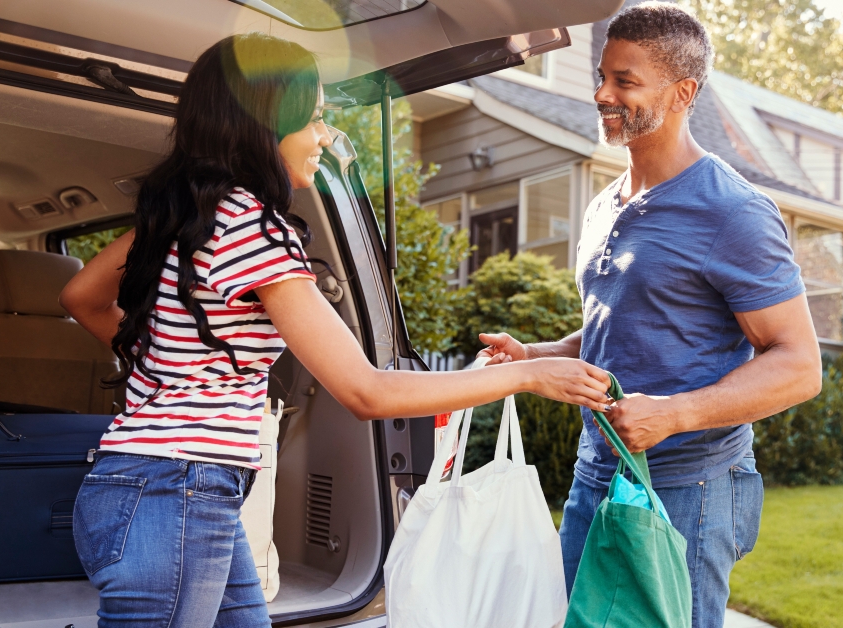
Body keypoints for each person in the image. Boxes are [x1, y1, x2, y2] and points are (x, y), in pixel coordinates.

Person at [59, 33, 611, 628]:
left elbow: (81, 296)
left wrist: (171, 369)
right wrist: (529, 374)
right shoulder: (251, 226)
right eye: (316, 118)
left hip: (162, 484)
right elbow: (366, 391)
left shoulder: (182, 215)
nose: (325, 136)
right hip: (177, 490)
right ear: (264, 123)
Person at [478, 3, 823, 626]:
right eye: (602, 75)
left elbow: (799, 366)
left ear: (683, 92)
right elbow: (623, 327)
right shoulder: (606, 204)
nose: (601, 93)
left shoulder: (733, 214)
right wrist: (533, 356)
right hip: (596, 477)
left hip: (685, 490)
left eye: (625, 81)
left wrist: (676, 413)